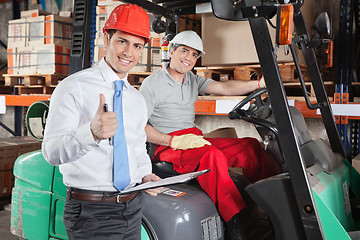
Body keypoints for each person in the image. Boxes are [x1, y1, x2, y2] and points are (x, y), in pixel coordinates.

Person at [139, 30, 277, 240]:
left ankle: (276, 204)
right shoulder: (152, 84)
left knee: (249, 146)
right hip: (168, 146)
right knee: (212, 156)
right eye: (184, 51)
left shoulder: (192, 80)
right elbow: (139, 127)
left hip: (194, 139)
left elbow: (223, 87)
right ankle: (236, 223)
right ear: (172, 51)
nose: (189, 58)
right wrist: (172, 140)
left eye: (194, 55)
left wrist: (258, 85)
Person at [42, 4, 161, 239]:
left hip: (132, 207)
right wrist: (92, 133)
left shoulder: (136, 99)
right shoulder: (73, 87)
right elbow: (51, 152)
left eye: (137, 45)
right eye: (122, 41)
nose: (129, 52)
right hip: (92, 212)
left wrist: (146, 175)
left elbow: (136, 147)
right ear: (107, 37)